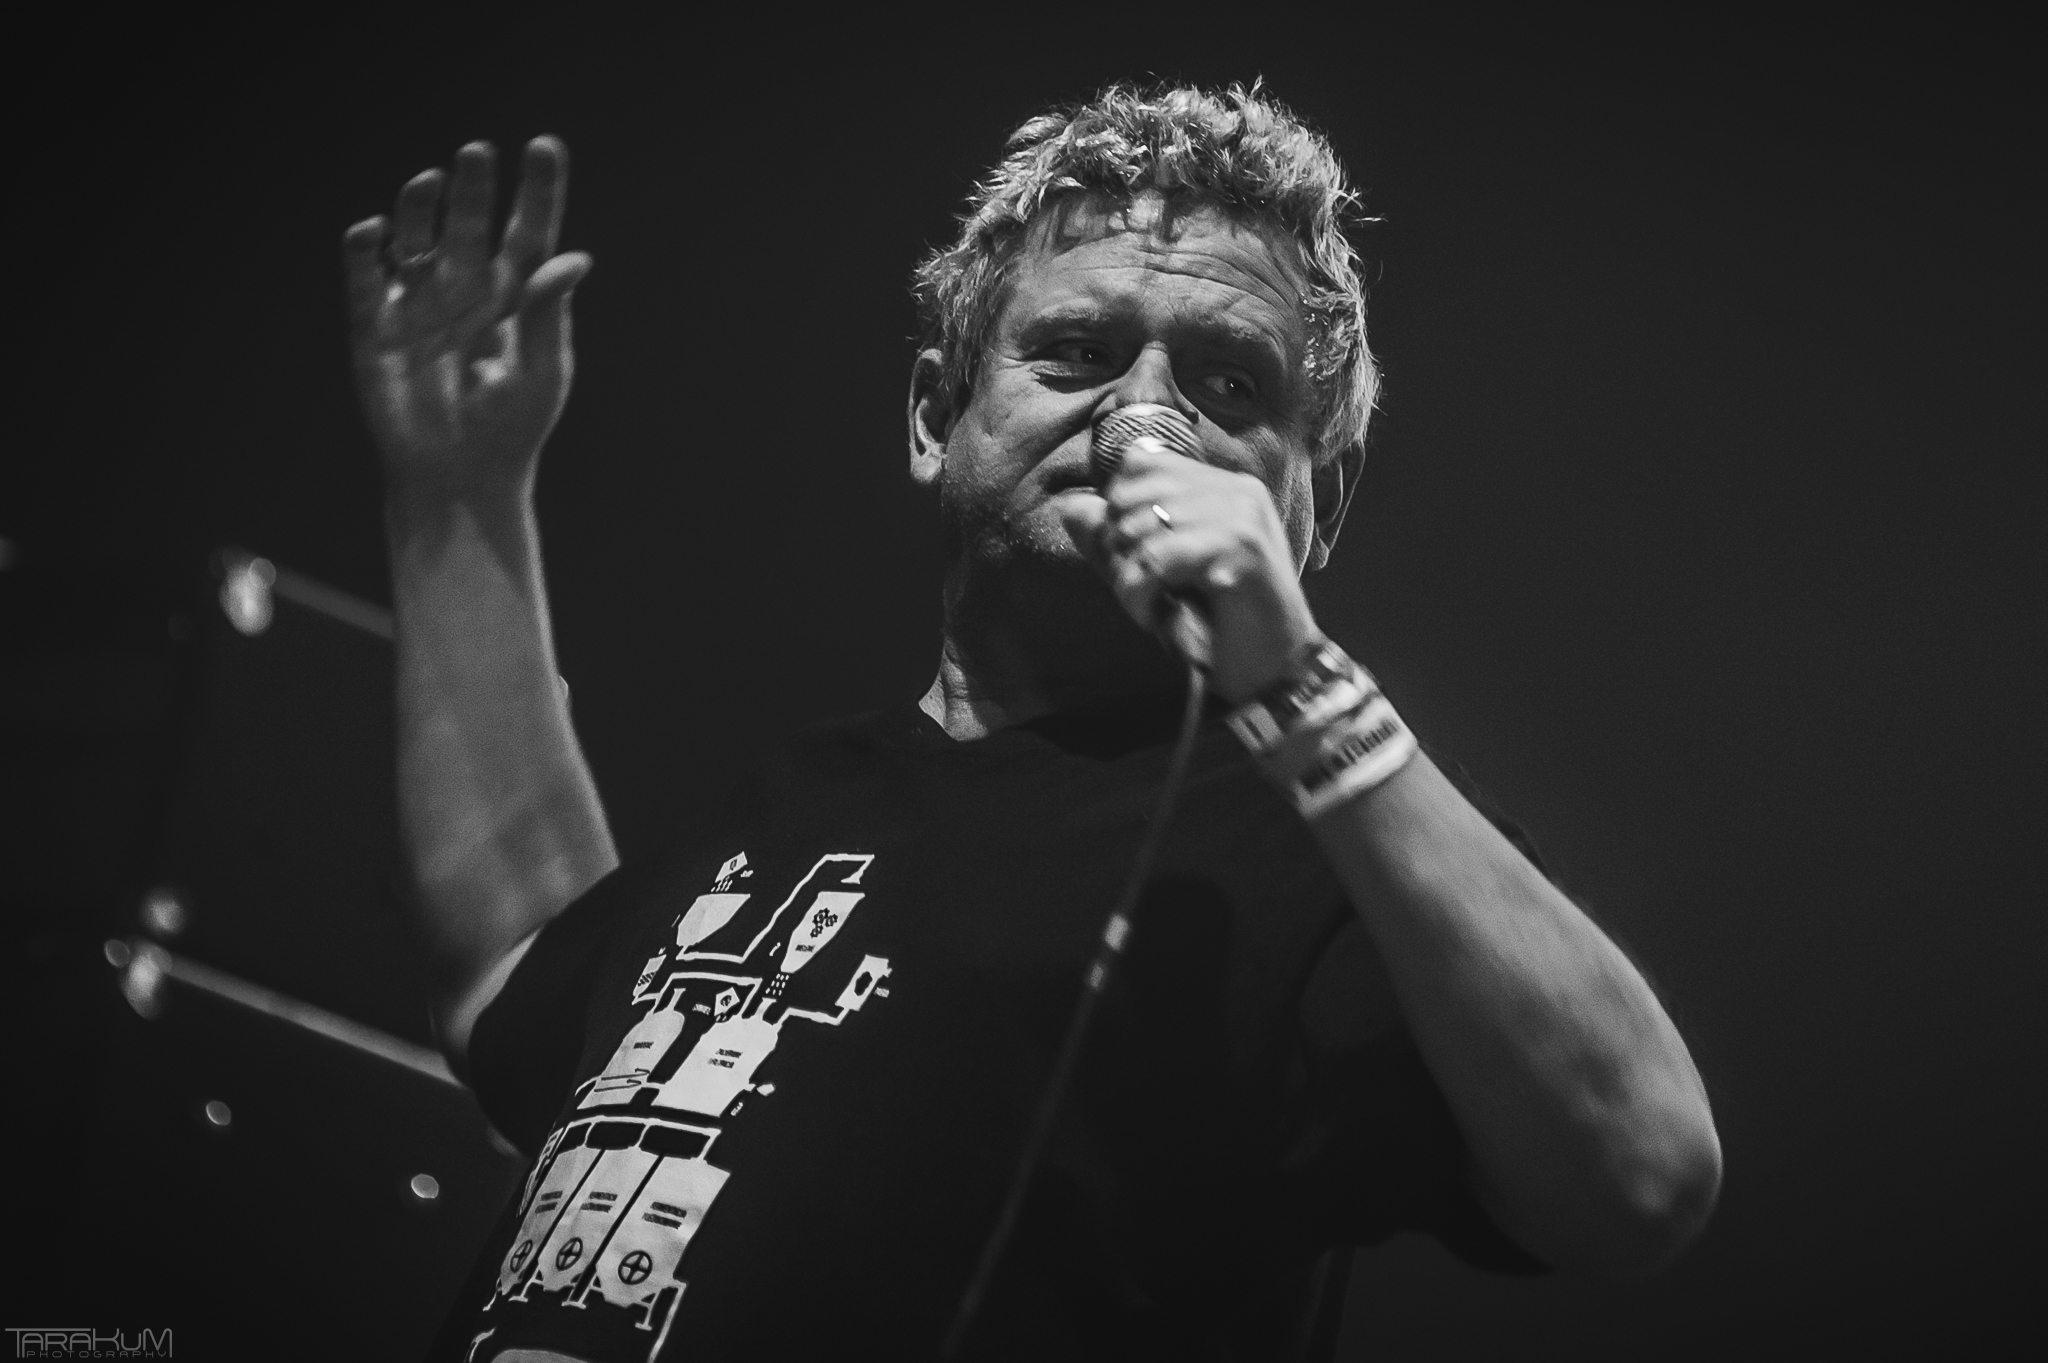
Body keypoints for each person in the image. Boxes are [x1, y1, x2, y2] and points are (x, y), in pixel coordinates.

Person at [345, 84, 1721, 1363]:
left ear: (1319, 501)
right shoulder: (798, 795)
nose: (1142, 419)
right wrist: (455, 494)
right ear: (935, 417)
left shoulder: (1319, 857)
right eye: (1077, 352)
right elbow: (512, 974)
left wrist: (1298, 681)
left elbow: (1641, 1168)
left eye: (1230, 385)